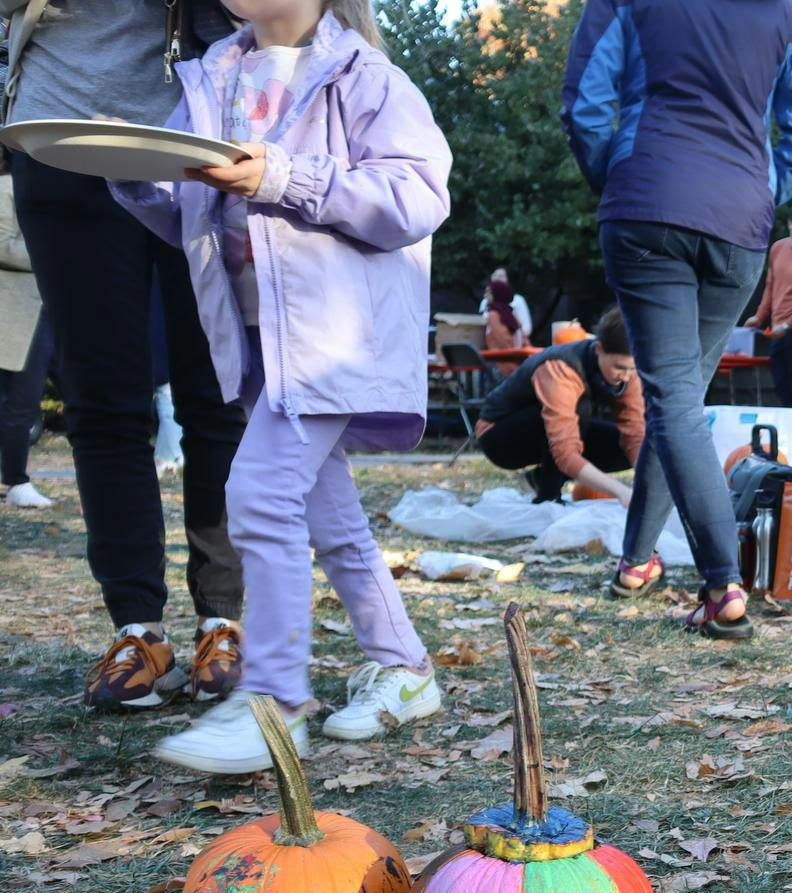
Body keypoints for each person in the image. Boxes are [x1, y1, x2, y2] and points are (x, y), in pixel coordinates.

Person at [111, 0, 452, 773]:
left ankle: (273, 700)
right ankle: (404, 666)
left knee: (259, 492)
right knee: (330, 515)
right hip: (264, 337)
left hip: (335, 337)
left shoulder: (367, 76)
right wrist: (137, 178)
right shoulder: (212, 77)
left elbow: (416, 197)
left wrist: (283, 176)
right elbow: (193, 211)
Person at [5, 0, 248, 709]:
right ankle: (136, 630)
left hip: (207, 134)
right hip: (63, 128)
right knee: (101, 396)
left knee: (217, 389)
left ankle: (223, 622)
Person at [563, 0, 792, 638]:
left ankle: (722, 587)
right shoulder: (786, 15)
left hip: (649, 207)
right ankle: (635, 562)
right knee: (677, 396)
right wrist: (756, 189)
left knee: (674, 399)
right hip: (737, 226)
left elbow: (586, 106)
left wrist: (625, 177)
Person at [477, 306, 642, 505]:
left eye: (632, 369)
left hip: (554, 430)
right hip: (499, 436)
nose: (626, 376)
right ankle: (548, 497)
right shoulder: (560, 368)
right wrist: (620, 491)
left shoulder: (627, 375)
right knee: (579, 410)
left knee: (624, 447)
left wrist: (644, 486)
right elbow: (564, 450)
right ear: (598, 349)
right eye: (619, 367)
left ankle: (537, 479)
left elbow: (634, 434)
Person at [0, 156, 52, 508]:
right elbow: (3, 244)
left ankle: (16, 479)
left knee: (24, 400)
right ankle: (16, 481)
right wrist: (53, 256)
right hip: (15, 309)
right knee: (19, 399)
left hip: (42, 309)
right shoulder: (6, 187)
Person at [742, 204, 792, 409]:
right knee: (780, 385)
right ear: (790, 224)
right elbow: (771, 286)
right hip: (777, 329)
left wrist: (788, 326)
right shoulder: (777, 248)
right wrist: (759, 317)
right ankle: (786, 435)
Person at [478, 266, 531, 335]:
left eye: (501, 276)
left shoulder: (518, 300)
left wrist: (513, 338)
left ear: (508, 279)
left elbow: (527, 328)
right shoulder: (485, 302)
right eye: (495, 275)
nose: (497, 278)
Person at [484, 274, 529, 351]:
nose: (485, 296)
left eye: (489, 293)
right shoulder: (510, 315)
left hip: (504, 359)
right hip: (513, 358)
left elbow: (504, 342)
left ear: (497, 294)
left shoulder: (494, 315)